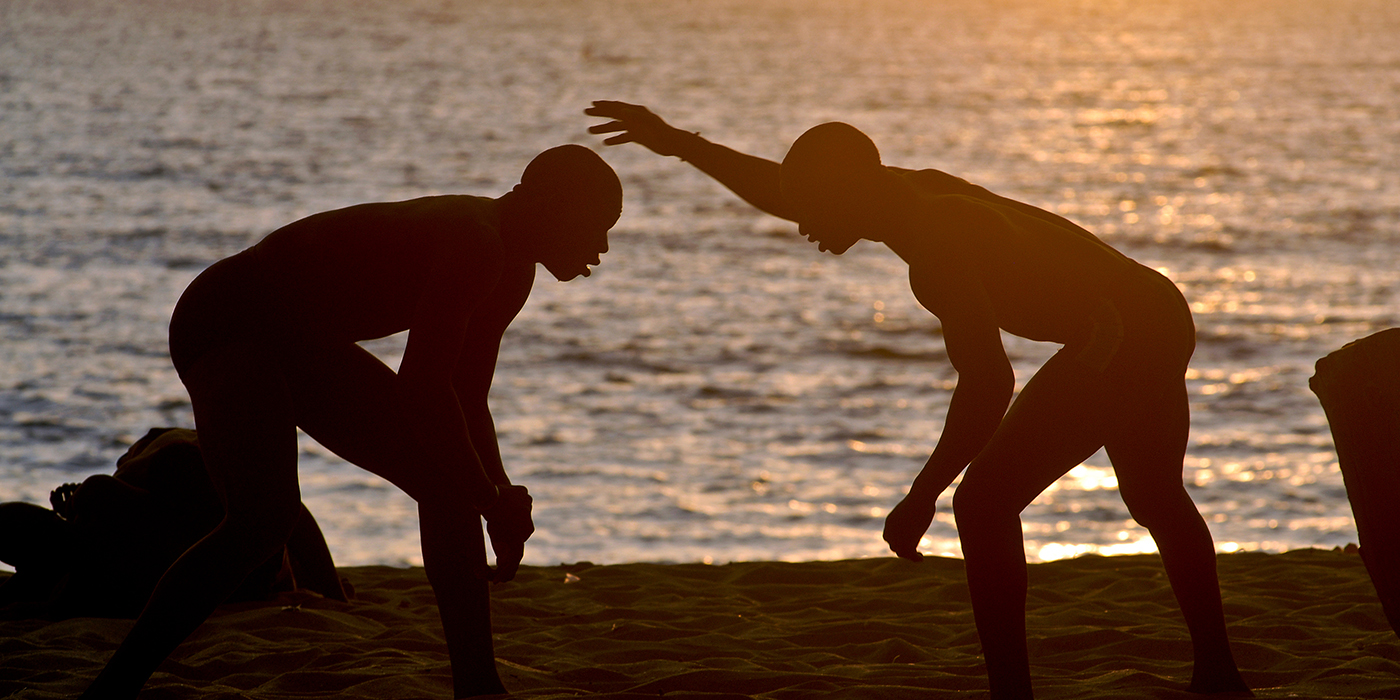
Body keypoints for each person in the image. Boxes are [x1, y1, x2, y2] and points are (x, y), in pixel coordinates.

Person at [586, 101, 1248, 699]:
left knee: (981, 505)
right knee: (1155, 496)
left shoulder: (936, 249)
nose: (800, 225)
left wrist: (922, 494)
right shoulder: (899, 191)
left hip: (1124, 332)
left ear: (846, 192)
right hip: (1158, 306)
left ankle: (1015, 695)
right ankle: (1219, 676)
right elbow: (789, 188)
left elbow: (989, 382)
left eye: (811, 209)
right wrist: (681, 143)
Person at [78, 144, 623, 699]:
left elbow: (466, 397)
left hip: (300, 339)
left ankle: (478, 685)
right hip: (227, 319)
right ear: (554, 209)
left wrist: (498, 496)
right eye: (597, 227)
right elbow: (423, 390)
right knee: (262, 522)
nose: (602, 248)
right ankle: (110, 691)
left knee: (448, 484)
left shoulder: (511, 272)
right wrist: (490, 498)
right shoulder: (477, 242)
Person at [0, 427, 346, 621]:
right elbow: (288, 510)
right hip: (236, 564)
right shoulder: (138, 484)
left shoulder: (149, 472)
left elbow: (287, 510)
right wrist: (334, 592)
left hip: (235, 561)